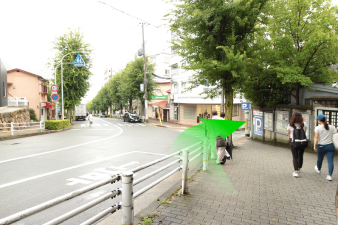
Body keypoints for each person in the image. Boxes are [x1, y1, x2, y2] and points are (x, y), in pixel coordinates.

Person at [314, 114, 337, 181]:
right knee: (330, 161)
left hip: (321, 146)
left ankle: (318, 169)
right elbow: (336, 133)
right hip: (330, 146)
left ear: (319, 120)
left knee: (320, 159)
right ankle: (329, 175)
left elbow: (316, 137)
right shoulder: (332, 127)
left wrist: (314, 145)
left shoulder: (317, 128)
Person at [287, 112, 308, 178]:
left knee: (295, 156)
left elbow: (288, 133)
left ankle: (296, 171)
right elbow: (305, 132)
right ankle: (299, 167)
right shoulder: (304, 124)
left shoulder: (290, 125)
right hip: (302, 142)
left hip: (294, 142)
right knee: (300, 155)